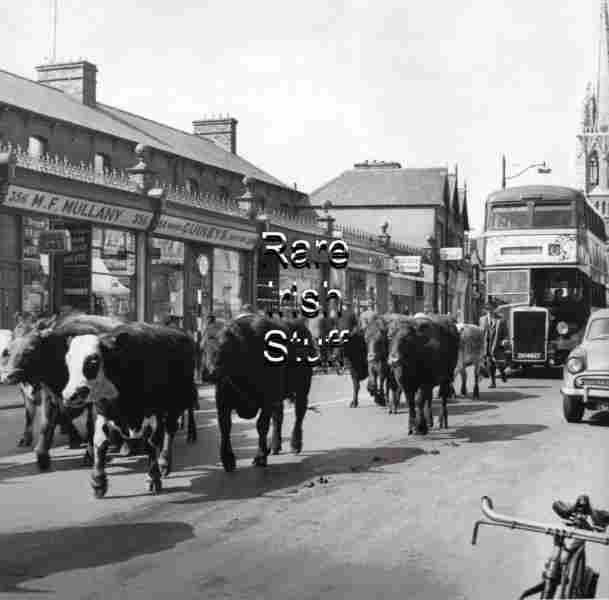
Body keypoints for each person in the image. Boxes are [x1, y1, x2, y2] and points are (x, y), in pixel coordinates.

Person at [479, 303, 509, 388]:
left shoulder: (501, 320)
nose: (490, 311)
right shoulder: (481, 320)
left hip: (497, 344)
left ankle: (503, 373)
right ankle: (493, 382)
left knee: (499, 364)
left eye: (491, 309)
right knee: (490, 364)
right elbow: (480, 333)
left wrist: (505, 340)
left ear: (494, 309)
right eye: (488, 310)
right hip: (487, 345)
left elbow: (505, 333)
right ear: (485, 310)